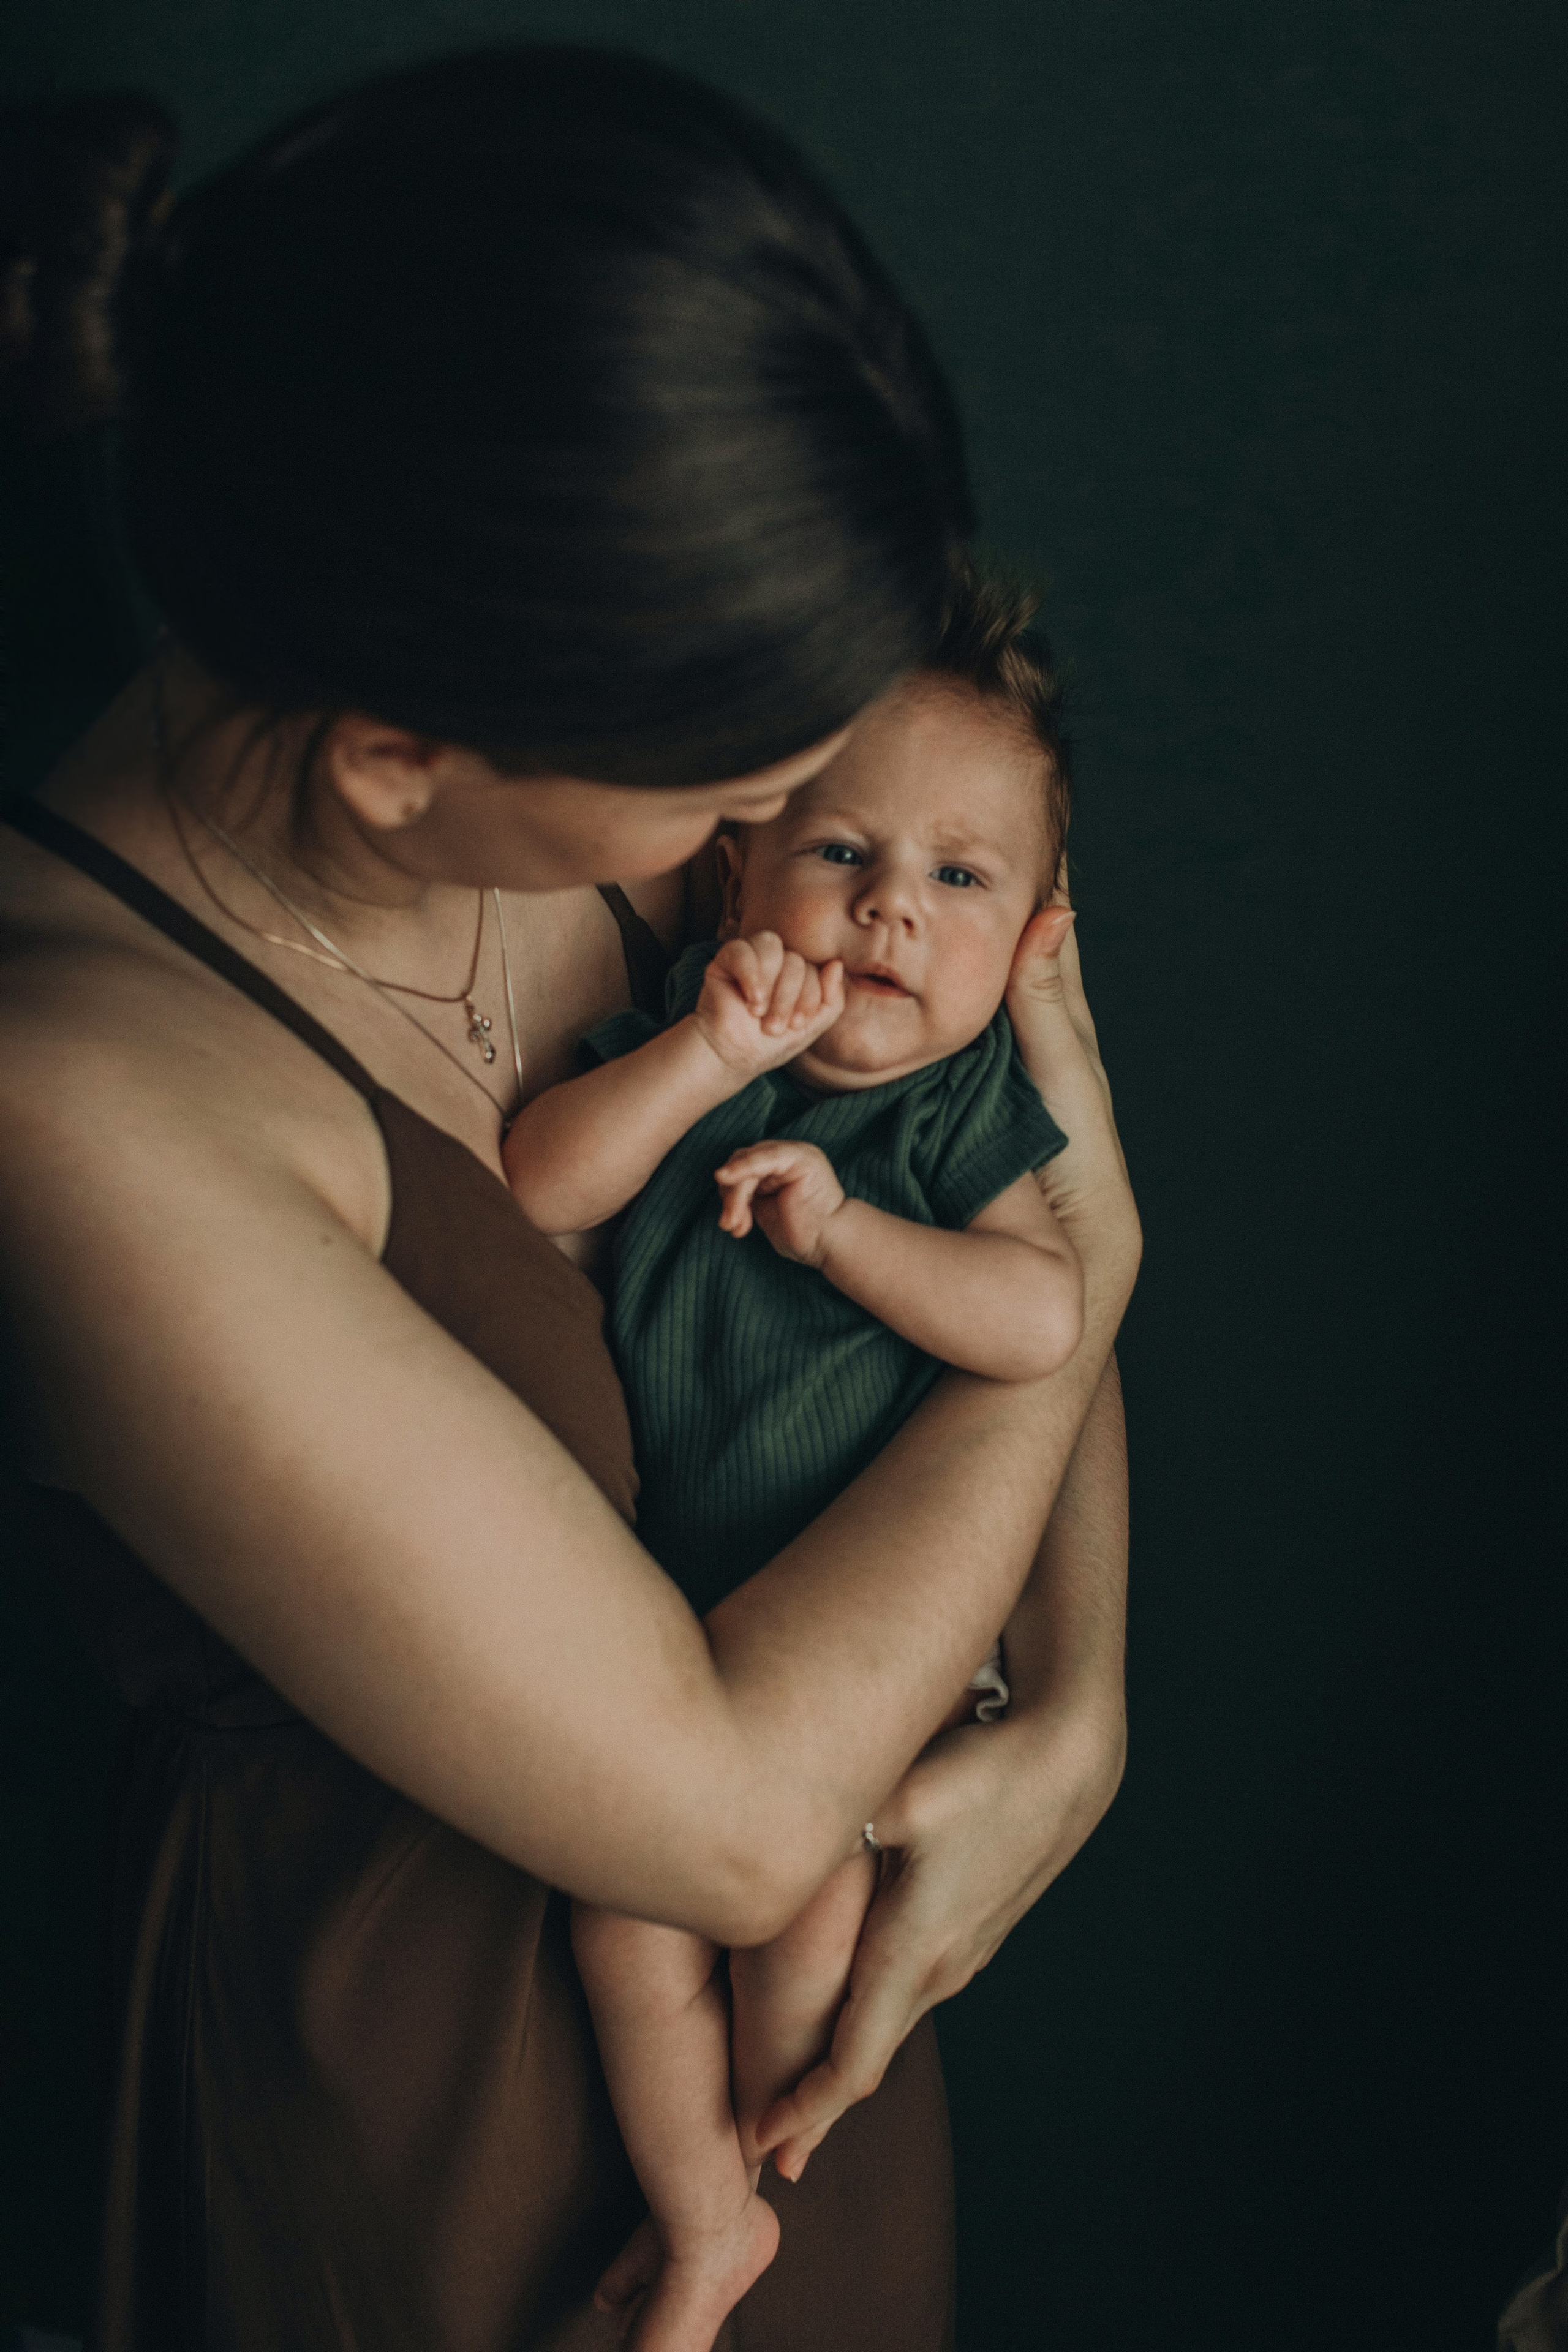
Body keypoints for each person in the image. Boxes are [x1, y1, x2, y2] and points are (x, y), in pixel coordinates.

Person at [0, 44, 1139, 2352]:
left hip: (819, 1984)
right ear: (403, 763)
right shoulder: (81, 1109)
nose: (787, 841)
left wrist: (1085, 1711)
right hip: (437, 2126)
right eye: (734, 790)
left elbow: (953, 1170)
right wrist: (1097, 1278)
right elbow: (718, 1803)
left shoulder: (638, 726)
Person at [503, 568, 1086, 2351]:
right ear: (740, 867)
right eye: (840, 856)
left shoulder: (955, 1110)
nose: (888, 912)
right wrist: (702, 1059)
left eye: (957, 879)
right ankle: (709, 2225)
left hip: (872, 1640)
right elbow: (542, 1188)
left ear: (1036, 943)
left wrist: (847, 1236)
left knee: (805, 1899)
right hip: (682, 1635)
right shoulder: (710, 1031)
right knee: (630, 1916)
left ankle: (792, 2140)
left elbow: (1039, 1325)